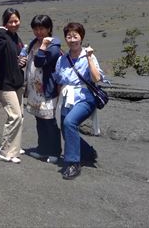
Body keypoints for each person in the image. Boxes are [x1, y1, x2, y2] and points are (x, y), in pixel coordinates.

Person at [54, 22, 106, 180]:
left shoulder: (88, 56)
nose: (72, 39)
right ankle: (87, 152)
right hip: (66, 98)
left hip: (85, 98)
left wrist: (89, 57)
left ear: (81, 37)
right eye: (69, 36)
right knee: (65, 128)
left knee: (70, 123)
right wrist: (58, 102)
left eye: (75, 36)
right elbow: (59, 82)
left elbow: (97, 78)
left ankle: (73, 163)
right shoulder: (62, 59)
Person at [24, 15, 62, 164]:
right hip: (35, 90)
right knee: (39, 120)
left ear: (49, 29)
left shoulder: (53, 46)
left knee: (50, 122)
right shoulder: (33, 42)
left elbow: (39, 62)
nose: (39, 32)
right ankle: (42, 149)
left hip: (47, 90)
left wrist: (44, 46)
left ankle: (55, 151)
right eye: (36, 29)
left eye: (42, 28)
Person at [0, 8, 26, 164]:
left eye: (16, 20)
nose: (14, 24)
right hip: (4, 84)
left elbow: (16, 56)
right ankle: (5, 151)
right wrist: (1, 31)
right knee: (15, 116)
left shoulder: (16, 37)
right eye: (10, 21)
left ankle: (15, 148)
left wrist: (21, 61)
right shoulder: (1, 37)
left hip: (17, 81)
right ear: (5, 22)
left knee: (20, 117)